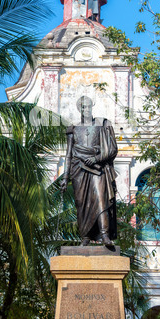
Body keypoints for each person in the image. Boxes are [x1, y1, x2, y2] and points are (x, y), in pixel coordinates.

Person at [60, 96, 118, 246]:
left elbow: (112, 149)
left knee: (101, 199)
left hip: (97, 169)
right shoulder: (73, 129)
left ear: (92, 107)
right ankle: (85, 237)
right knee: (81, 203)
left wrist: (96, 159)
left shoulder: (103, 125)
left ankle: (104, 235)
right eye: (83, 107)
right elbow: (68, 154)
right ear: (80, 109)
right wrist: (65, 178)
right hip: (78, 169)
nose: (87, 110)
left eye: (89, 106)